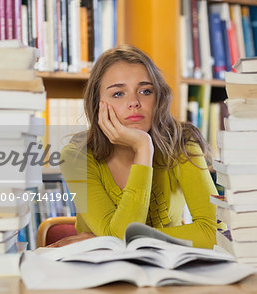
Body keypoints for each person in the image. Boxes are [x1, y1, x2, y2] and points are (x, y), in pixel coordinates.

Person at [51, 45, 219, 249]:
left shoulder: (182, 143)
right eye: (118, 94)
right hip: (102, 273)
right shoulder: (77, 156)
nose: (134, 102)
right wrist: (143, 148)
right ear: (98, 104)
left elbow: (216, 233)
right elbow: (118, 236)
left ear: (158, 98)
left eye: (145, 91)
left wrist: (143, 146)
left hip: (165, 272)